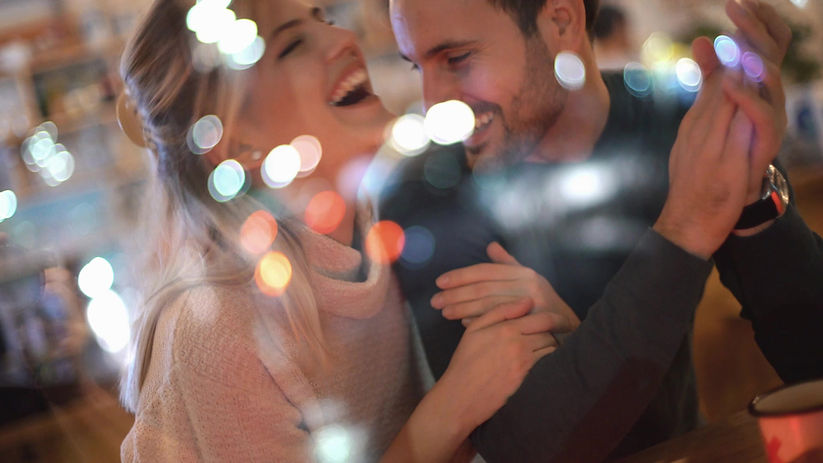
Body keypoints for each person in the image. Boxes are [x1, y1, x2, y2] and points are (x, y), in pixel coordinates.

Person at [117, 0, 563, 461]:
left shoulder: (396, 225)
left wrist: (549, 315)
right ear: (237, 144)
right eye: (293, 45)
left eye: (325, 19)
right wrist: (455, 406)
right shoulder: (214, 330)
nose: (345, 39)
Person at [383, 0, 823, 460]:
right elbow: (523, 446)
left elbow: (812, 356)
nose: (432, 103)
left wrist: (752, 199)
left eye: (457, 59)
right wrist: (684, 228)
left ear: (561, 22)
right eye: (417, 65)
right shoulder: (429, 195)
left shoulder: (674, 126)